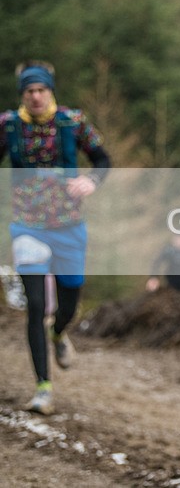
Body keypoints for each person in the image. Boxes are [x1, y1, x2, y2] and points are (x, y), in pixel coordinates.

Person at [0, 60, 111, 415]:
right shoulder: (8, 126)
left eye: (40, 90)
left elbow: (103, 159)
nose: (35, 97)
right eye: (29, 91)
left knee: (67, 304)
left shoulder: (72, 122)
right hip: (27, 225)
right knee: (35, 305)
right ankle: (43, 388)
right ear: (23, 94)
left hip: (68, 226)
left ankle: (59, 334)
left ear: (50, 91)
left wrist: (91, 182)